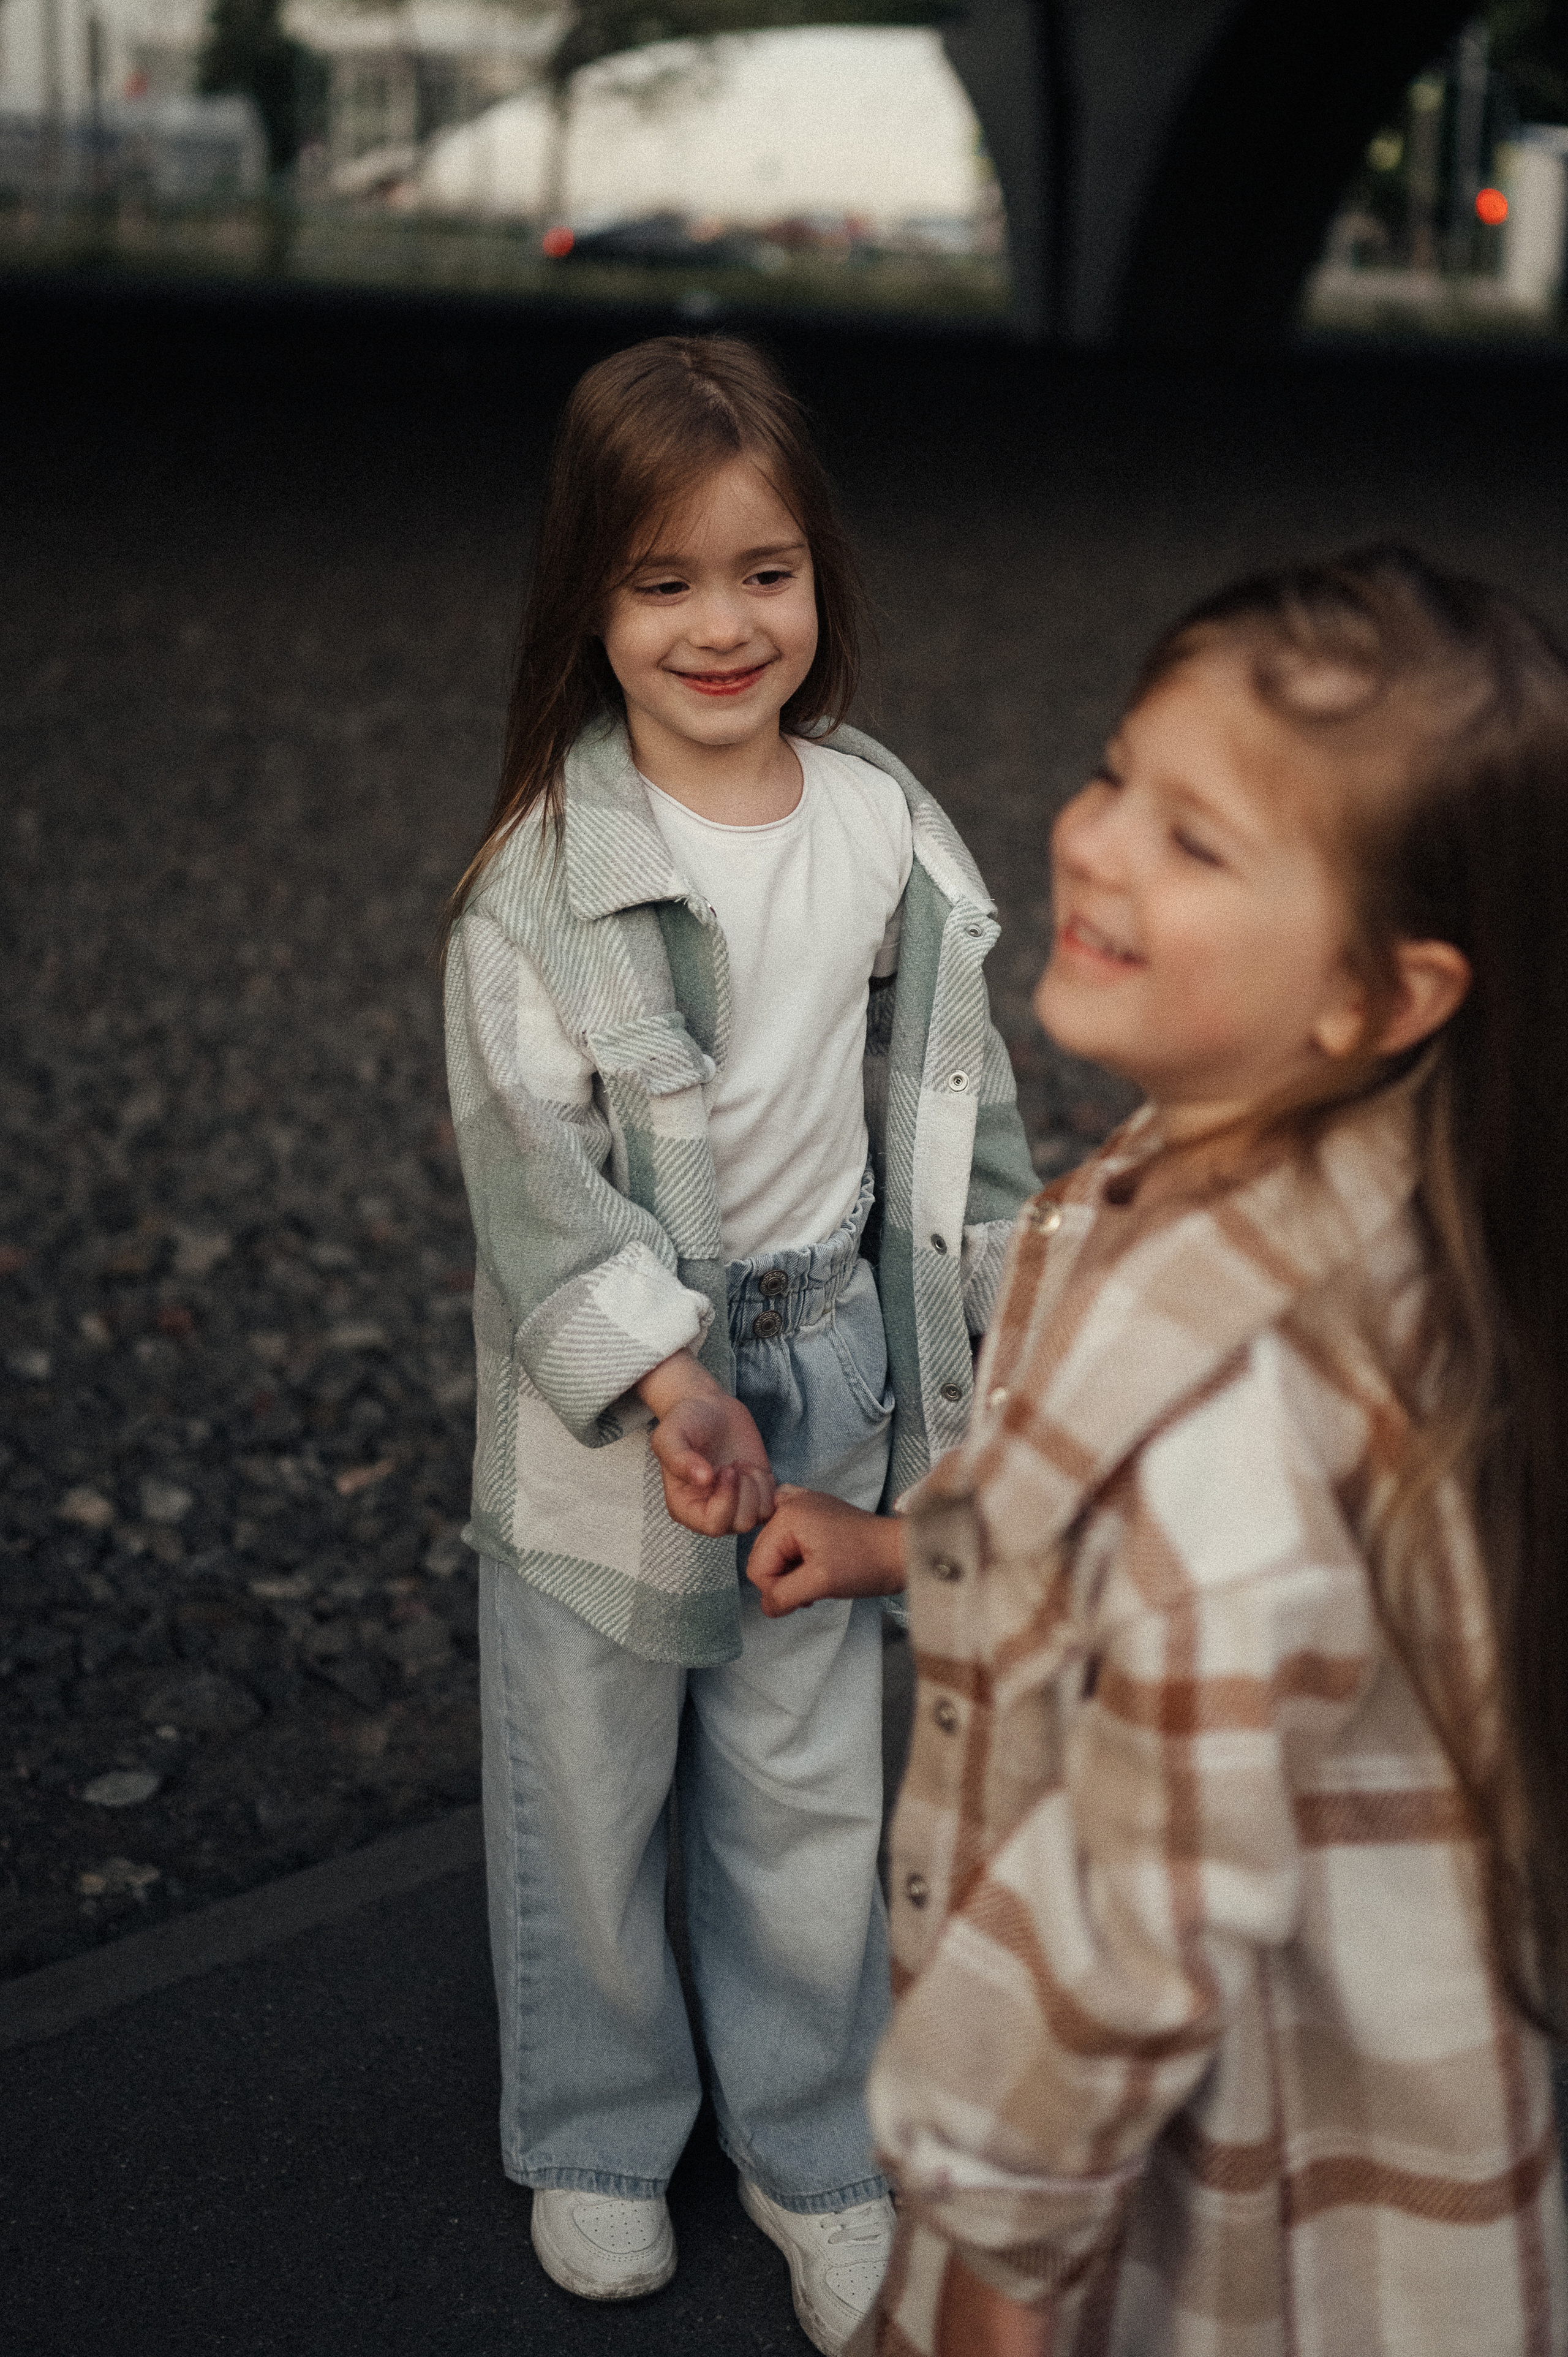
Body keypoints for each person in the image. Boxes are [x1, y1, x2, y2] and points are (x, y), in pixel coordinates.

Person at [748, 547, 1568, 2356]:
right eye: (1121, 772)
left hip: (1200, 2197)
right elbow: (1110, 1572)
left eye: (1199, 843)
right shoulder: (1230, 1166)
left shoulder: (1244, 1404)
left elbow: (1142, 1923)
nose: (1098, 841)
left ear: (1378, 997)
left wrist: (994, 2265)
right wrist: (902, 1550)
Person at [440, 334, 1035, 2355]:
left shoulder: (888, 829)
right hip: (619, 1412)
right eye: (663, 581)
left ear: (822, 584)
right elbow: (535, 1187)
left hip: (840, 1363)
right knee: (587, 1791)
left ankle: (811, 2142)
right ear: (586, 604)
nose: (721, 625)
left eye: (763, 572)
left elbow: (965, 1117)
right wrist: (674, 1379)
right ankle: (599, 2135)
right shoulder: (541, 882)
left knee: (801, 1794)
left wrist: (1010, 1317)